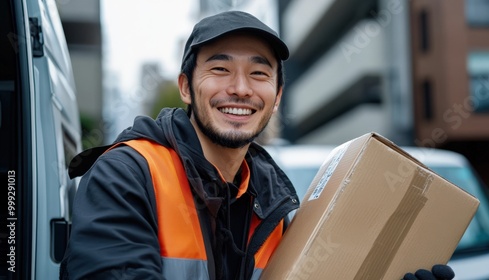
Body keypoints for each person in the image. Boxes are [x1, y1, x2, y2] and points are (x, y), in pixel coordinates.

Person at [60, 10, 455, 280]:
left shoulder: (272, 202)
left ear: (277, 94)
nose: (240, 88)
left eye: (259, 73)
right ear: (185, 87)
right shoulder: (128, 174)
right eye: (220, 68)